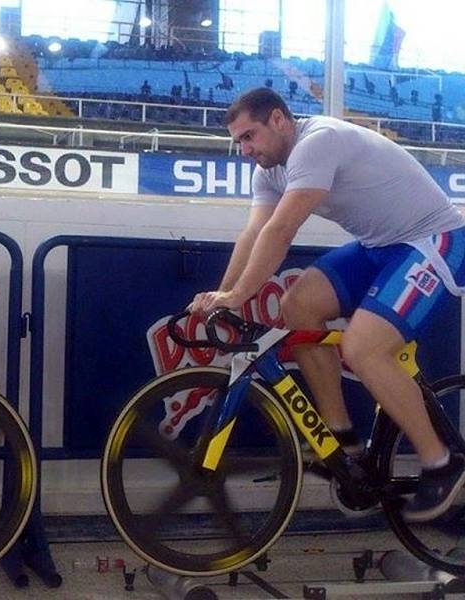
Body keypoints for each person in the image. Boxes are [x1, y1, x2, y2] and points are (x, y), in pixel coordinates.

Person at [188, 87, 465, 522]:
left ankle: (441, 462)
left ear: (279, 120)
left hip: (435, 240)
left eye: (249, 136)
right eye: (238, 141)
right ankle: (343, 442)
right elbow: (253, 235)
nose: (244, 150)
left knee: (362, 350)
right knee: (297, 306)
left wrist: (239, 295)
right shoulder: (268, 172)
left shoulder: (318, 142)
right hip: (380, 247)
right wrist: (222, 297)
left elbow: (281, 232)